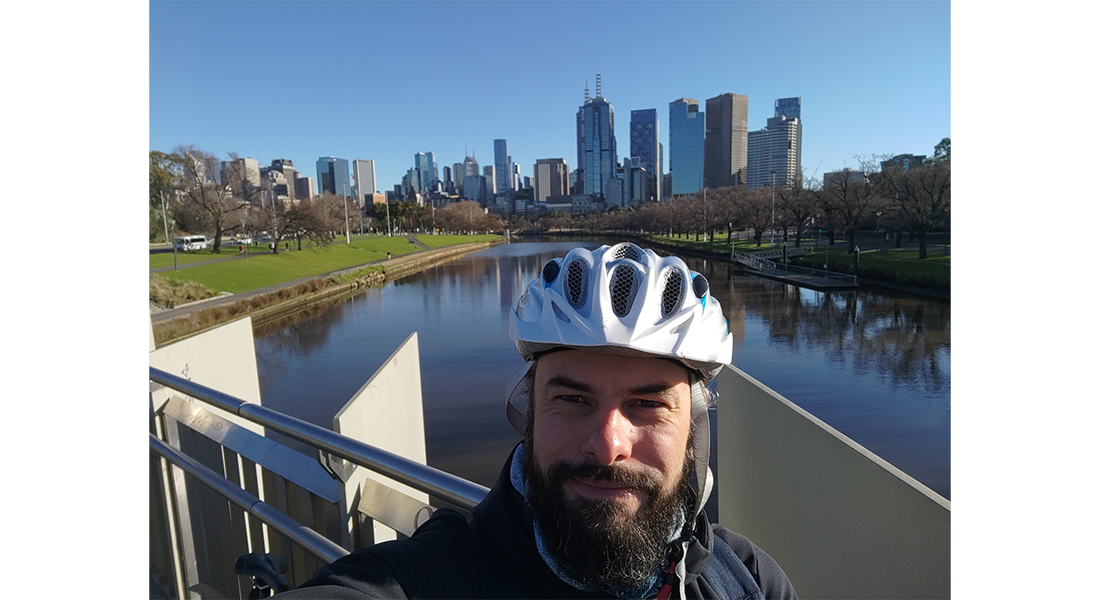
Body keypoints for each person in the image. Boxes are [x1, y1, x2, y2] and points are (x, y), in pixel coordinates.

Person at [276, 242, 798, 599]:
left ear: (696, 431)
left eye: (647, 404)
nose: (607, 443)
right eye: (572, 400)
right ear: (528, 414)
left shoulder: (747, 581)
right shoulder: (439, 577)